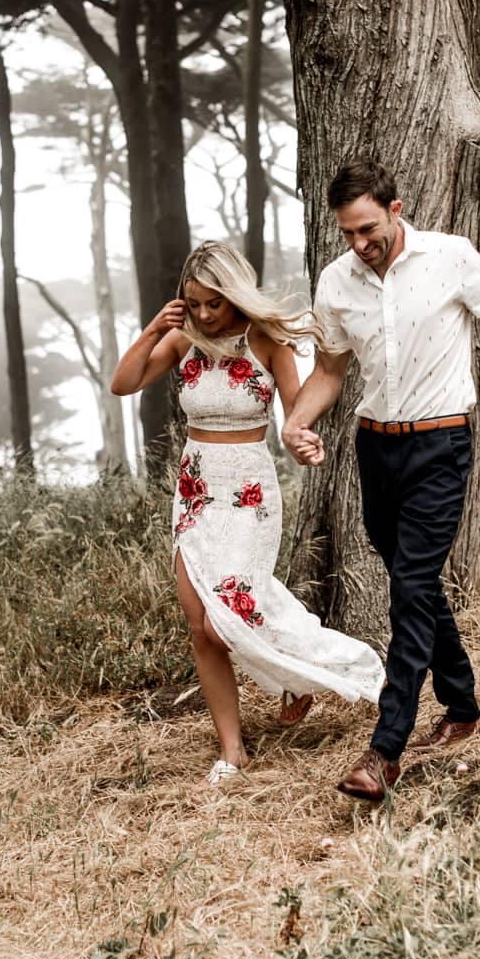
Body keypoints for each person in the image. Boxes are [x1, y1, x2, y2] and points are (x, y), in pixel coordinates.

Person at [282, 158, 480, 803]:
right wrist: (295, 422)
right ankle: (463, 709)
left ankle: (385, 750)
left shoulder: (452, 256)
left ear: (396, 209)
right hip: (375, 449)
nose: (360, 243)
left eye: (369, 228)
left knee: (408, 589)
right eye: (348, 233)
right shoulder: (336, 281)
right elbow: (330, 371)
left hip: (441, 445)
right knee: (418, 583)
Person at [111, 242, 385, 785]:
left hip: (248, 492)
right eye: (193, 303)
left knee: (229, 615)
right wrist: (155, 329)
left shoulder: (266, 341)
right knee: (200, 625)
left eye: (213, 303)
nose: (204, 313)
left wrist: (302, 441)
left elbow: (295, 415)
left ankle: (304, 673)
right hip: (195, 491)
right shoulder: (182, 338)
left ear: (234, 295)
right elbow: (124, 383)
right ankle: (232, 751)